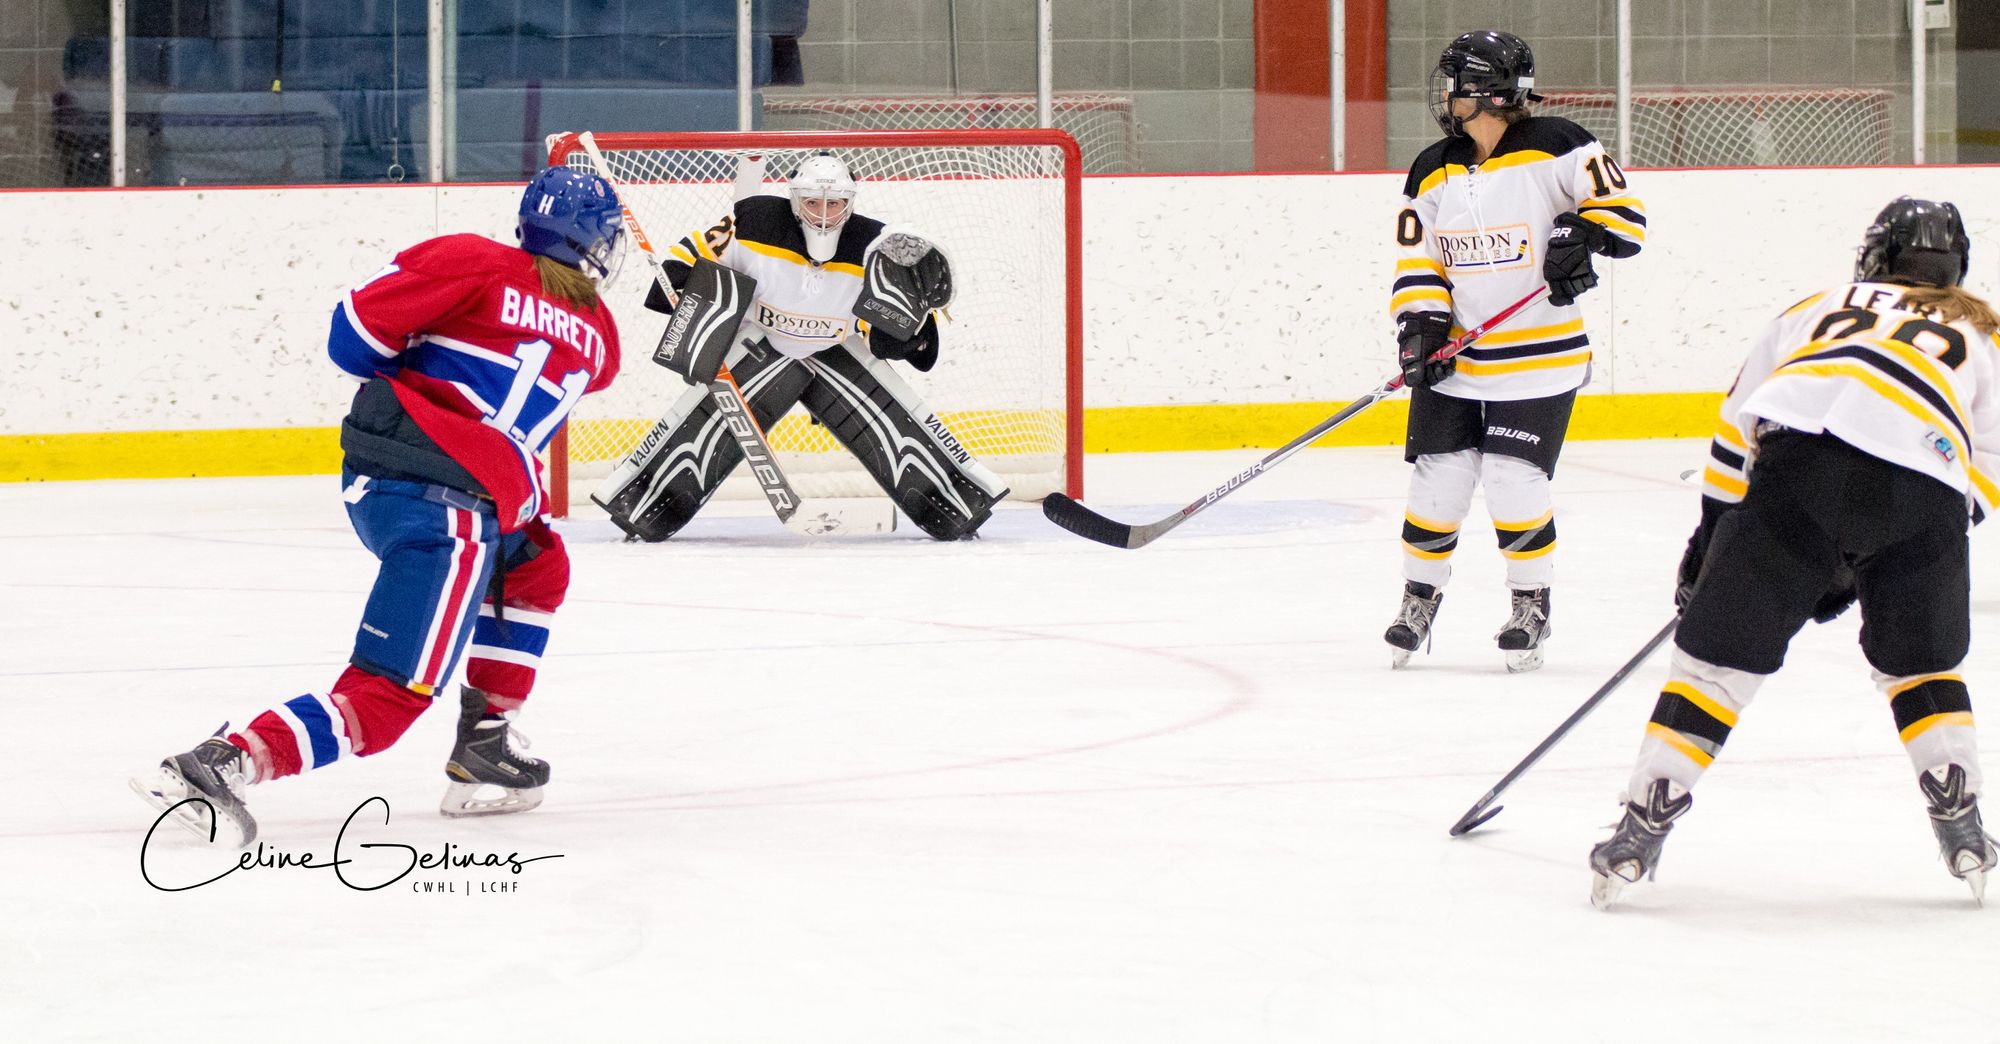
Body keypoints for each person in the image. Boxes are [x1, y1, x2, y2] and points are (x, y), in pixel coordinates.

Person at [130, 166, 627, 845]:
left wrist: (415, 366)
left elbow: (353, 340)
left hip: (397, 477)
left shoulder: (471, 260)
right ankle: (225, 761)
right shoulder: (601, 333)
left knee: (537, 562)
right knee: (389, 697)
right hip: (449, 510)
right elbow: (574, 358)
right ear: (593, 244)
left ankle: (485, 740)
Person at [1588, 197, 2000, 908]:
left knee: (1715, 667)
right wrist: (1887, 536)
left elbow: (1736, 429)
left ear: (1877, 256)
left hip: (1801, 469)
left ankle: (1643, 820)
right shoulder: (1983, 332)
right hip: (1927, 494)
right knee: (1923, 666)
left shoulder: (1820, 303)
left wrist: (1710, 544)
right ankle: (1960, 821)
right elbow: (1988, 459)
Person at [1382, 30, 1647, 672]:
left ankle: (1531, 605)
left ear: (1483, 94)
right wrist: (1420, 326)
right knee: (1437, 477)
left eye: (1453, 85)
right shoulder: (1433, 165)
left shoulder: (1561, 144)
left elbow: (1625, 216)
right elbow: (1418, 259)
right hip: (1456, 359)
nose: (1443, 97)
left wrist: (1579, 235)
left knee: (1511, 478)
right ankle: (1420, 599)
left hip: (1539, 358)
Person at [592, 150, 1009, 542]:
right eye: (813, 202)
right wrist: (696, 305)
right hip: (761, 346)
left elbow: (900, 347)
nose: (824, 214)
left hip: (835, 352)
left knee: (906, 433)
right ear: (794, 201)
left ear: (850, 202)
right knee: (694, 430)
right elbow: (674, 273)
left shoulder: (875, 247)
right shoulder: (752, 222)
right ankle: (641, 496)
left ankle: (957, 497)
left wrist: (911, 330)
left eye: (834, 204)